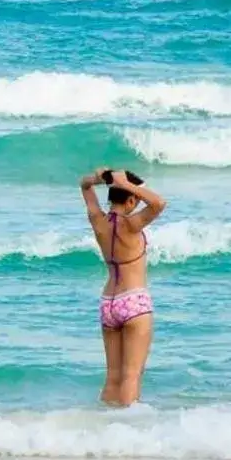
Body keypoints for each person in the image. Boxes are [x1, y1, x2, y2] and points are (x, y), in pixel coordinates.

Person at [78, 165, 167, 407]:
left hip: (109, 302)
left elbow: (83, 185)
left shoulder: (99, 222)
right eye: (135, 201)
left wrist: (96, 178)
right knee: (131, 376)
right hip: (134, 301)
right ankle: (129, 432)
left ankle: (107, 427)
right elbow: (159, 203)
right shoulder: (131, 224)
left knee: (113, 377)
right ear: (130, 200)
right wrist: (128, 185)